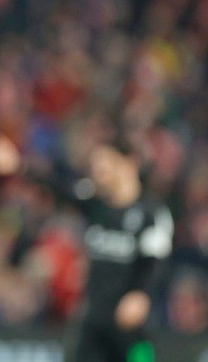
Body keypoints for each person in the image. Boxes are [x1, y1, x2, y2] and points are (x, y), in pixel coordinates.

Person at [59, 135, 174, 362]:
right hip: (93, 321)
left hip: (131, 323)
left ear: (130, 162)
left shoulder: (151, 213)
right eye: (96, 165)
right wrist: (21, 167)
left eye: (107, 163)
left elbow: (155, 260)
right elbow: (59, 188)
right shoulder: (95, 205)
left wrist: (139, 293)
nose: (99, 171)